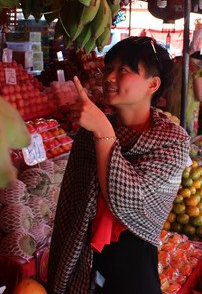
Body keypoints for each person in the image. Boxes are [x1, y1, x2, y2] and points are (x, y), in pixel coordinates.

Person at [48, 36, 190, 294]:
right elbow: (71, 203)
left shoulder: (173, 141)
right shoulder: (89, 133)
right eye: (108, 68)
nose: (109, 77)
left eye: (123, 70)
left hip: (133, 268)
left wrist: (103, 130)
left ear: (153, 84)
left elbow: (132, 200)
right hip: (84, 259)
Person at [166, 48, 202, 137]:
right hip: (187, 109)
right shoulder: (197, 70)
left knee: (172, 134)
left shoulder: (177, 62)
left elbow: (188, 83)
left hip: (172, 106)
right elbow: (201, 97)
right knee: (185, 137)